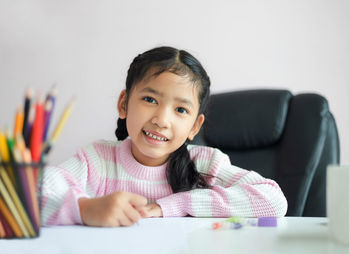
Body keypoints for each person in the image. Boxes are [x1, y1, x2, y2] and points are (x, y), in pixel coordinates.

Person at [40, 46, 288, 227]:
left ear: (195, 126)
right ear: (124, 104)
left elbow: (274, 200)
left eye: (181, 110)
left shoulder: (205, 164)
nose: (161, 120)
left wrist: (171, 206)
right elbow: (31, 194)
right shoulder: (97, 159)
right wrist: (84, 209)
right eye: (150, 99)